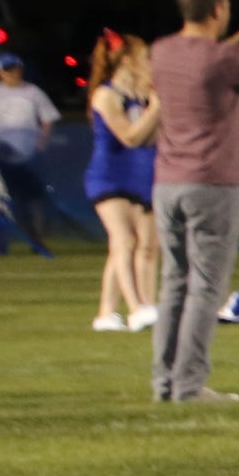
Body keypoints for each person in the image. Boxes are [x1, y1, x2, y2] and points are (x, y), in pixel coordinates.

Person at [149, 0, 239, 402]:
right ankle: (189, 384)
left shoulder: (160, 53)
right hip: (212, 183)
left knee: (174, 283)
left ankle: (165, 382)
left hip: (167, 184)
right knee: (206, 287)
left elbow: (207, 60)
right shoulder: (222, 59)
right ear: (218, 9)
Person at [82, 32, 162, 331]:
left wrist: (157, 109)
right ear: (127, 60)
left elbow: (152, 138)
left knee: (147, 247)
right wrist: (156, 109)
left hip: (140, 175)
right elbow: (129, 136)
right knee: (124, 240)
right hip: (108, 175)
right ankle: (137, 307)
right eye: (144, 58)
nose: (149, 63)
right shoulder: (106, 95)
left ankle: (107, 313)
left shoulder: (142, 94)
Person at [0, 52, 62, 245]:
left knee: (34, 197)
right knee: (0, 197)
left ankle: (37, 237)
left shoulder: (33, 92)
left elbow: (48, 119)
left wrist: (41, 144)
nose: (11, 74)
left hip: (29, 156)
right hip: (1, 156)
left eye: (14, 69)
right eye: (6, 70)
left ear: (20, 69)